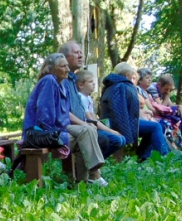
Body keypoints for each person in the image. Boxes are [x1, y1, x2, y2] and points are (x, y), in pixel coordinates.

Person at [23, 54, 109, 185]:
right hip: (41, 132)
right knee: (84, 136)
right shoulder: (49, 80)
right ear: (51, 68)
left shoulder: (63, 84)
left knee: (88, 130)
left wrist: (82, 124)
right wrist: (53, 136)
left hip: (61, 127)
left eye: (67, 65)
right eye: (63, 66)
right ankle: (93, 175)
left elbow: (66, 114)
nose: (68, 69)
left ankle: (85, 181)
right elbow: (44, 113)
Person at [100, 63, 168, 161]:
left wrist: (141, 113)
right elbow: (120, 113)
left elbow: (126, 108)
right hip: (117, 124)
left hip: (118, 122)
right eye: (133, 76)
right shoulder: (121, 86)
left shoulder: (113, 85)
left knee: (152, 126)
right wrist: (124, 131)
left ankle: (143, 155)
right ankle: (164, 157)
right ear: (127, 75)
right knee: (155, 127)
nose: (133, 80)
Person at [154, 74, 182, 151]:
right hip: (155, 116)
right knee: (175, 119)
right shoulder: (153, 90)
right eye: (166, 89)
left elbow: (171, 105)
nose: (168, 92)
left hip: (161, 115)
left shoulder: (163, 91)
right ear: (159, 85)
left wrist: (179, 106)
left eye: (170, 90)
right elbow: (161, 108)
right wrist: (167, 97)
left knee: (179, 116)